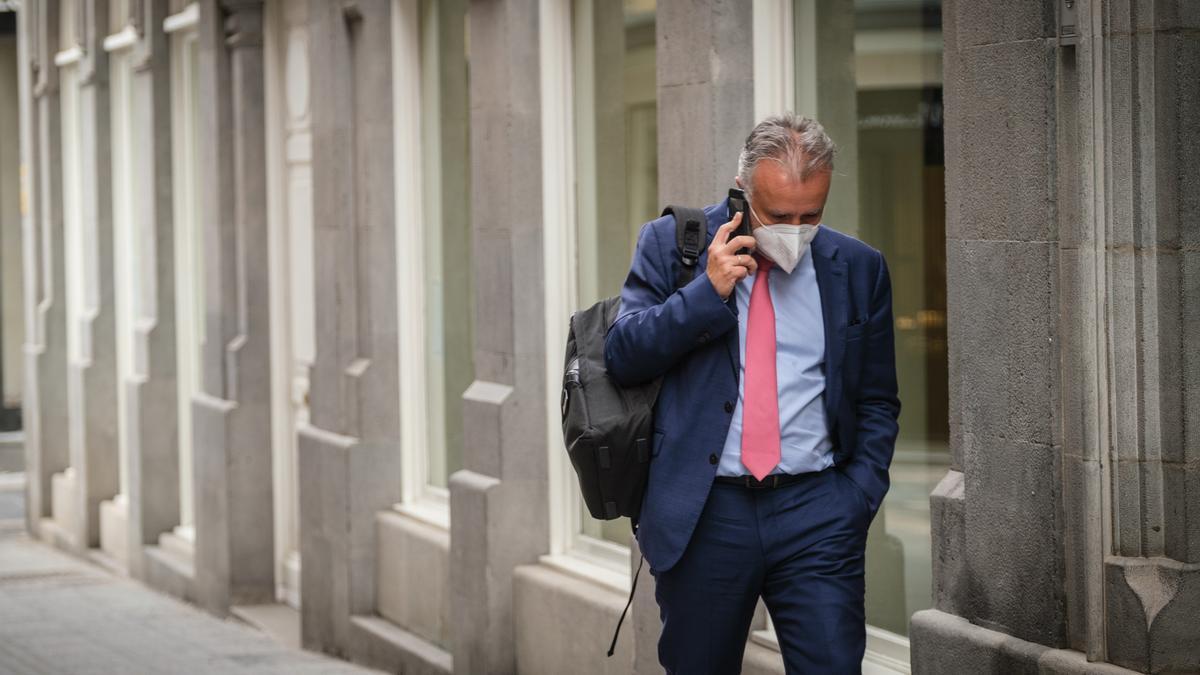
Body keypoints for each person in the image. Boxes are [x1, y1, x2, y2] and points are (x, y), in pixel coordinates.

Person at [604, 113, 900, 674]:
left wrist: (855, 498)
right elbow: (622, 354)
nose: (794, 229)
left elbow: (878, 400)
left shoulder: (859, 268)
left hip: (818, 513)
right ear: (743, 191)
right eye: (778, 215)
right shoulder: (675, 246)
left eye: (810, 214)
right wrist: (705, 293)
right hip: (708, 512)